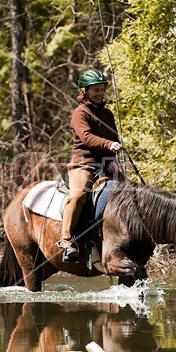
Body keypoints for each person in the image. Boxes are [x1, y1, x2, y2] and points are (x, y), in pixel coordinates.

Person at [57, 68, 122, 262]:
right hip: (83, 165)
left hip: (106, 164)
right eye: (95, 90)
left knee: (131, 193)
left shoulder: (108, 114)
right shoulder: (80, 113)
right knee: (77, 196)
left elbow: (114, 137)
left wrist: (113, 160)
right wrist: (108, 144)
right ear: (85, 91)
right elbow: (86, 137)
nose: (100, 93)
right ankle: (66, 240)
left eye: (102, 89)